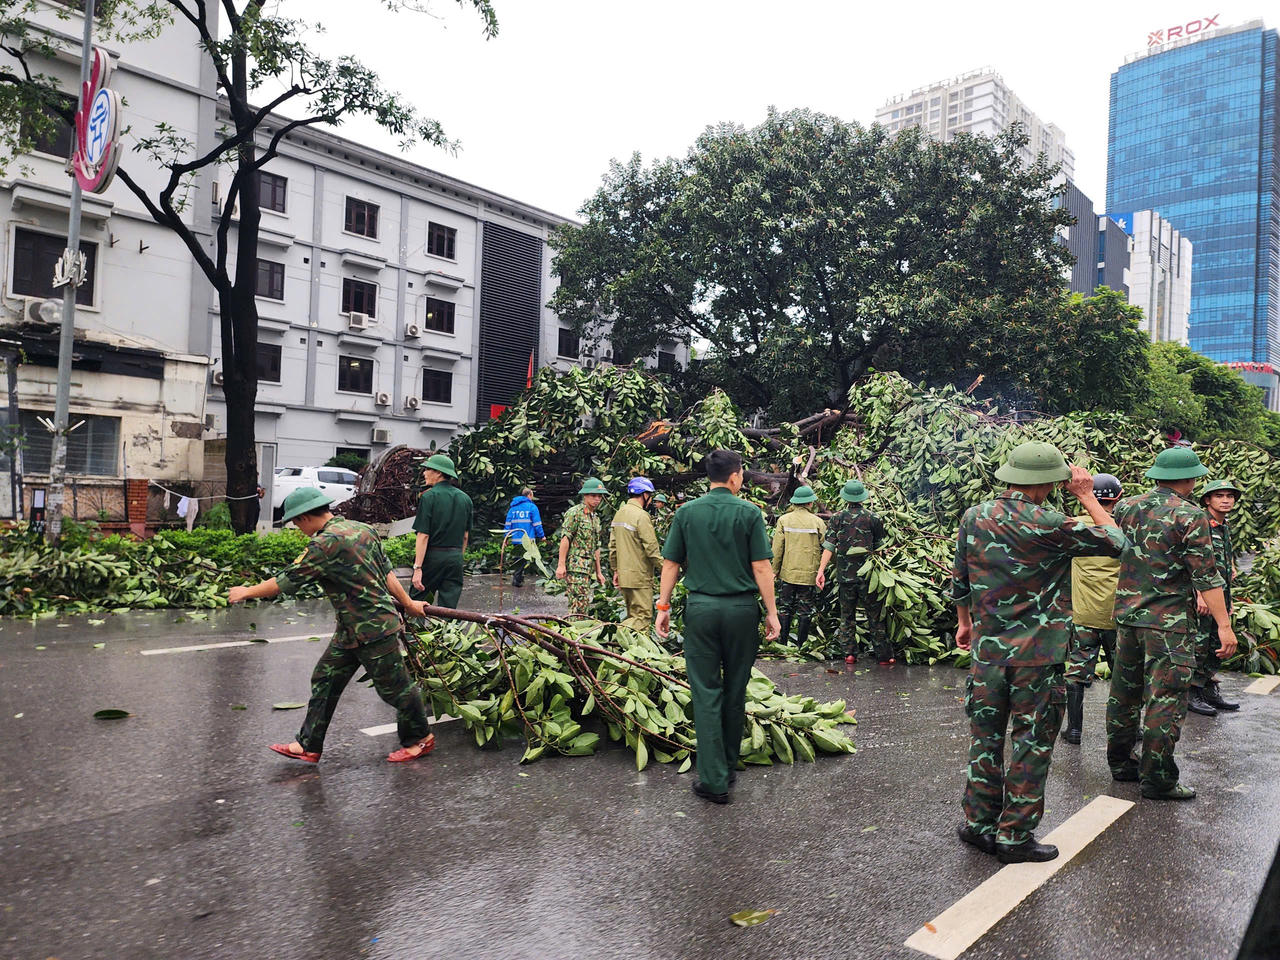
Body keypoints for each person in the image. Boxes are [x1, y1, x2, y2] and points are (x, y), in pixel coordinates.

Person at [952, 442, 1125, 863]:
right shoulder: (1052, 523)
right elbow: (1116, 540)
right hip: (1038, 657)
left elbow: (960, 579)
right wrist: (1086, 495)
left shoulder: (975, 517)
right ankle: (1014, 837)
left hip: (988, 653)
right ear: (1049, 483)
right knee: (1031, 743)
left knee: (985, 740)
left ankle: (979, 826)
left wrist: (964, 622)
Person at [228, 487, 435, 764]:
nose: (297, 528)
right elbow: (387, 573)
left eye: (295, 523)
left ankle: (420, 739)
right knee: (325, 679)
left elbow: (285, 582)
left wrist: (245, 591)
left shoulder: (324, 545)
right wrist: (408, 603)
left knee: (395, 689)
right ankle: (308, 745)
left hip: (373, 630)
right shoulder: (363, 530)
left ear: (303, 518)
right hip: (351, 630)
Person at [1105, 447, 1237, 801]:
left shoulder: (1126, 506)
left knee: (1125, 693)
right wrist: (1224, 626)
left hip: (1129, 617)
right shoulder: (1191, 516)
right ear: (1191, 479)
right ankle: (1158, 779)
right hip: (1169, 622)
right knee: (1166, 698)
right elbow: (1207, 577)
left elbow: (1112, 539)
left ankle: (1121, 765)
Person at [656, 449, 781, 805]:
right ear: (736, 476)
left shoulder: (686, 512)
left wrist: (662, 607)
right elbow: (761, 568)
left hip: (702, 610)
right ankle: (726, 763)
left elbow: (671, 565)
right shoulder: (749, 513)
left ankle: (714, 780)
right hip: (741, 611)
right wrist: (771, 613)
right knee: (736, 688)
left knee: (706, 691)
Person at [1061, 473, 1125, 745]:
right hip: (1118, 616)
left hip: (1084, 614)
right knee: (1123, 674)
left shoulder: (1073, 528)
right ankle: (1127, 731)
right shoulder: (1122, 529)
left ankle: (1074, 729)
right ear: (1118, 498)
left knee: (1077, 670)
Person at [816, 479, 890, 664]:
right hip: (868, 576)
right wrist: (882, 571)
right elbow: (879, 549)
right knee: (875, 615)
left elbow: (829, 546)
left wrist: (821, 570)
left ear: (845, 497)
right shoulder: (874, 518)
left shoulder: (837, 518)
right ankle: (884, 656)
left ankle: (849, 654)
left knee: (847, 616)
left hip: (845, 576)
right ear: (863, 497)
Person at [1188, 478, 1244, 717]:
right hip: (1204, 594)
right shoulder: (1202, 523)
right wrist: (1200, 594)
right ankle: (1191, 692)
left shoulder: (1223, 525)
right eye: (1219, 496)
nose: (1225, 500)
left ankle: (1208, 688)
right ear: (1207, 500)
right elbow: (1193, 561)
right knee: (1199, 644)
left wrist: (1230, 566)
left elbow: (1220, 557)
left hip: (1220, 593)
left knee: (1214, 643)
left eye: (1229, 496)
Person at [411, 453, 473, 610]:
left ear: (438, 473)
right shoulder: (466, 499)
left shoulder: (429, 497)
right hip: (455, 558)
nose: (424, 473)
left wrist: (417, 568)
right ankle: (448, 634)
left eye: (427, 469)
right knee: (449, 609)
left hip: (432, 557)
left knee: (417, 604)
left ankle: (416, 634)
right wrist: (457, 558)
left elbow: (423, 535)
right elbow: (465, 536)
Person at [770, 485, 826, 650]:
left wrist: (774, 570)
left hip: (787, 573)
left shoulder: (783, 520)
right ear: (810, 503)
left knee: (785, 607)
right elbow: (828, 548)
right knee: (805, 609)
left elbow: (777, 549)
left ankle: (782, 644)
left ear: (794, 503)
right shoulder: (818, 522)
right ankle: (801, 646)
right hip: (809, 575)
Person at [609, 477, 663, 632]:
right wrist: (666, 568)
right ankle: (615, 633)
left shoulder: (619, 513)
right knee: (642, 619)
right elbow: (651, 549)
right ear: (644, 495)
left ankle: (627, 653)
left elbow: (612, 547)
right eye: (650, 495)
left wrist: (616, 571)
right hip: (640, 578)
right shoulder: (641, 516)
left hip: (625, 577)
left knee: (632, 616)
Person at [557, 477, 607, 616]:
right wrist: (561, 565)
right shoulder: (575, 513)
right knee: (577, 604)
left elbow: (596, 547)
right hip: (576, 568)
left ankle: (577, 634)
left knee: (584, 604)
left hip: (588, 569)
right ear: (585, 496)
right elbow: (566, 538)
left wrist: (598, 572)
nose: (597, 499)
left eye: (599, 496)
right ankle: (572, 633)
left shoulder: (595, 518)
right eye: (593, 496)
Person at [504, 487, 545, 588]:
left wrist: (506, 538)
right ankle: (517, 580)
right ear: (530, 495)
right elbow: (537, 524)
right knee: (525, 559)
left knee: (519, 558)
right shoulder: (532, 507)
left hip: (516, 539)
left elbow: (508, 524)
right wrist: (542, 536)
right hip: (528, 539)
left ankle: (519, 577)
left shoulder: (513, 508)